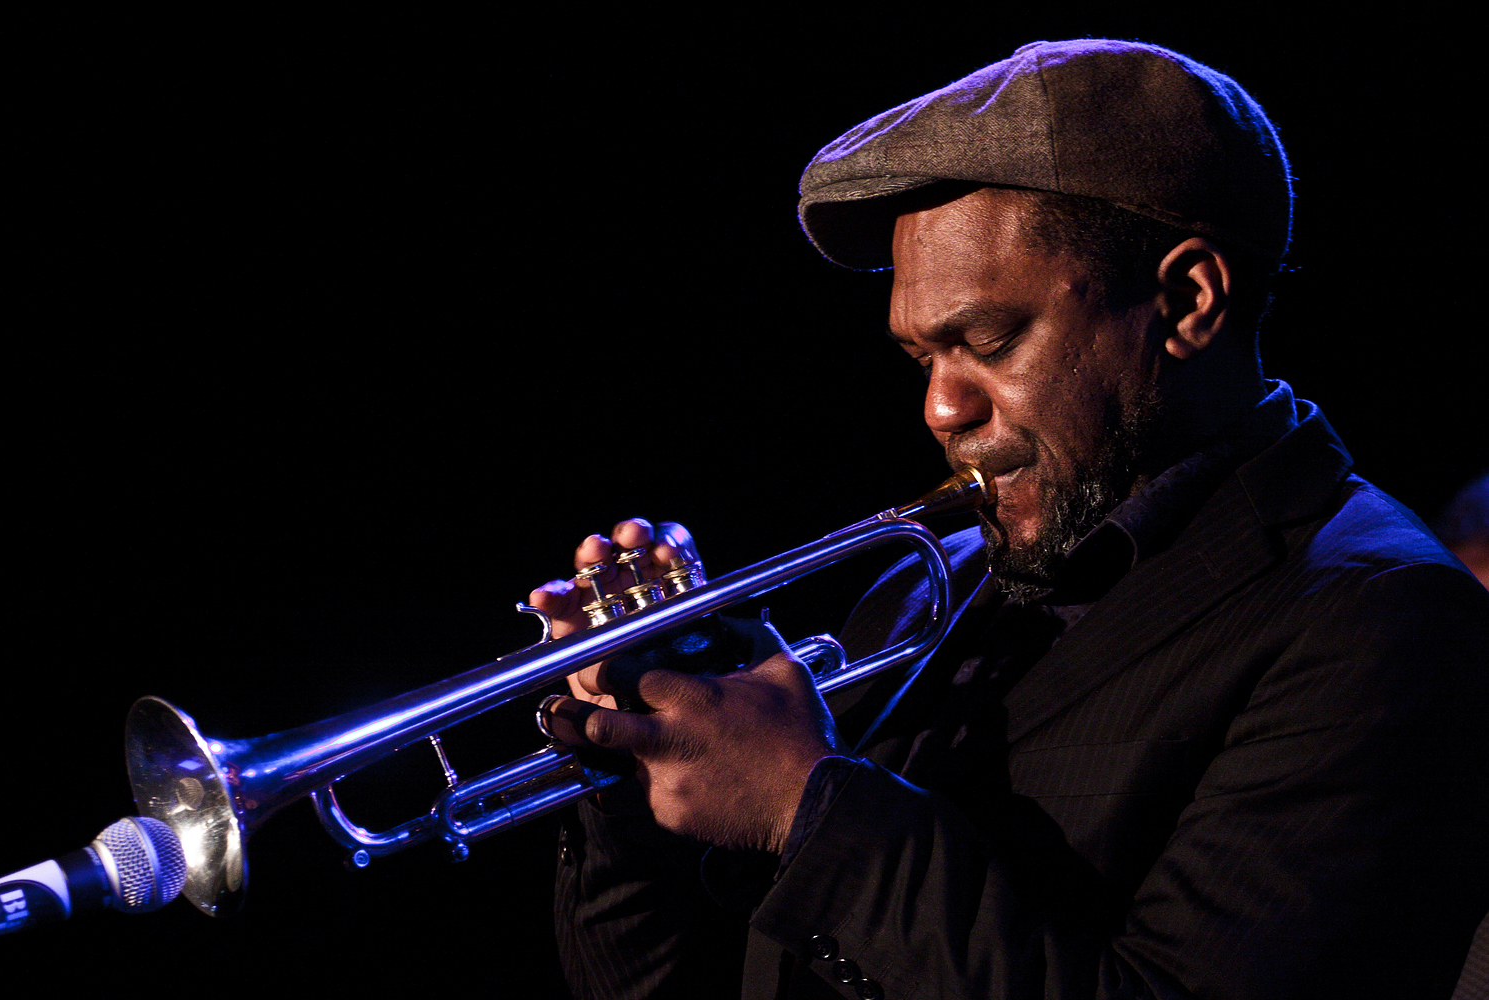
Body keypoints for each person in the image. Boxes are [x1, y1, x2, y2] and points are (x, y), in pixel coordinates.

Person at [530, 40, 1489, 999]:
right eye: (922, 359)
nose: (941, 410)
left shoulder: (1385, 619)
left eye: (988, 341)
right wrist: (650, 762)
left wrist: (804, 804)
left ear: (1187, 301)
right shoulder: (929, 585)